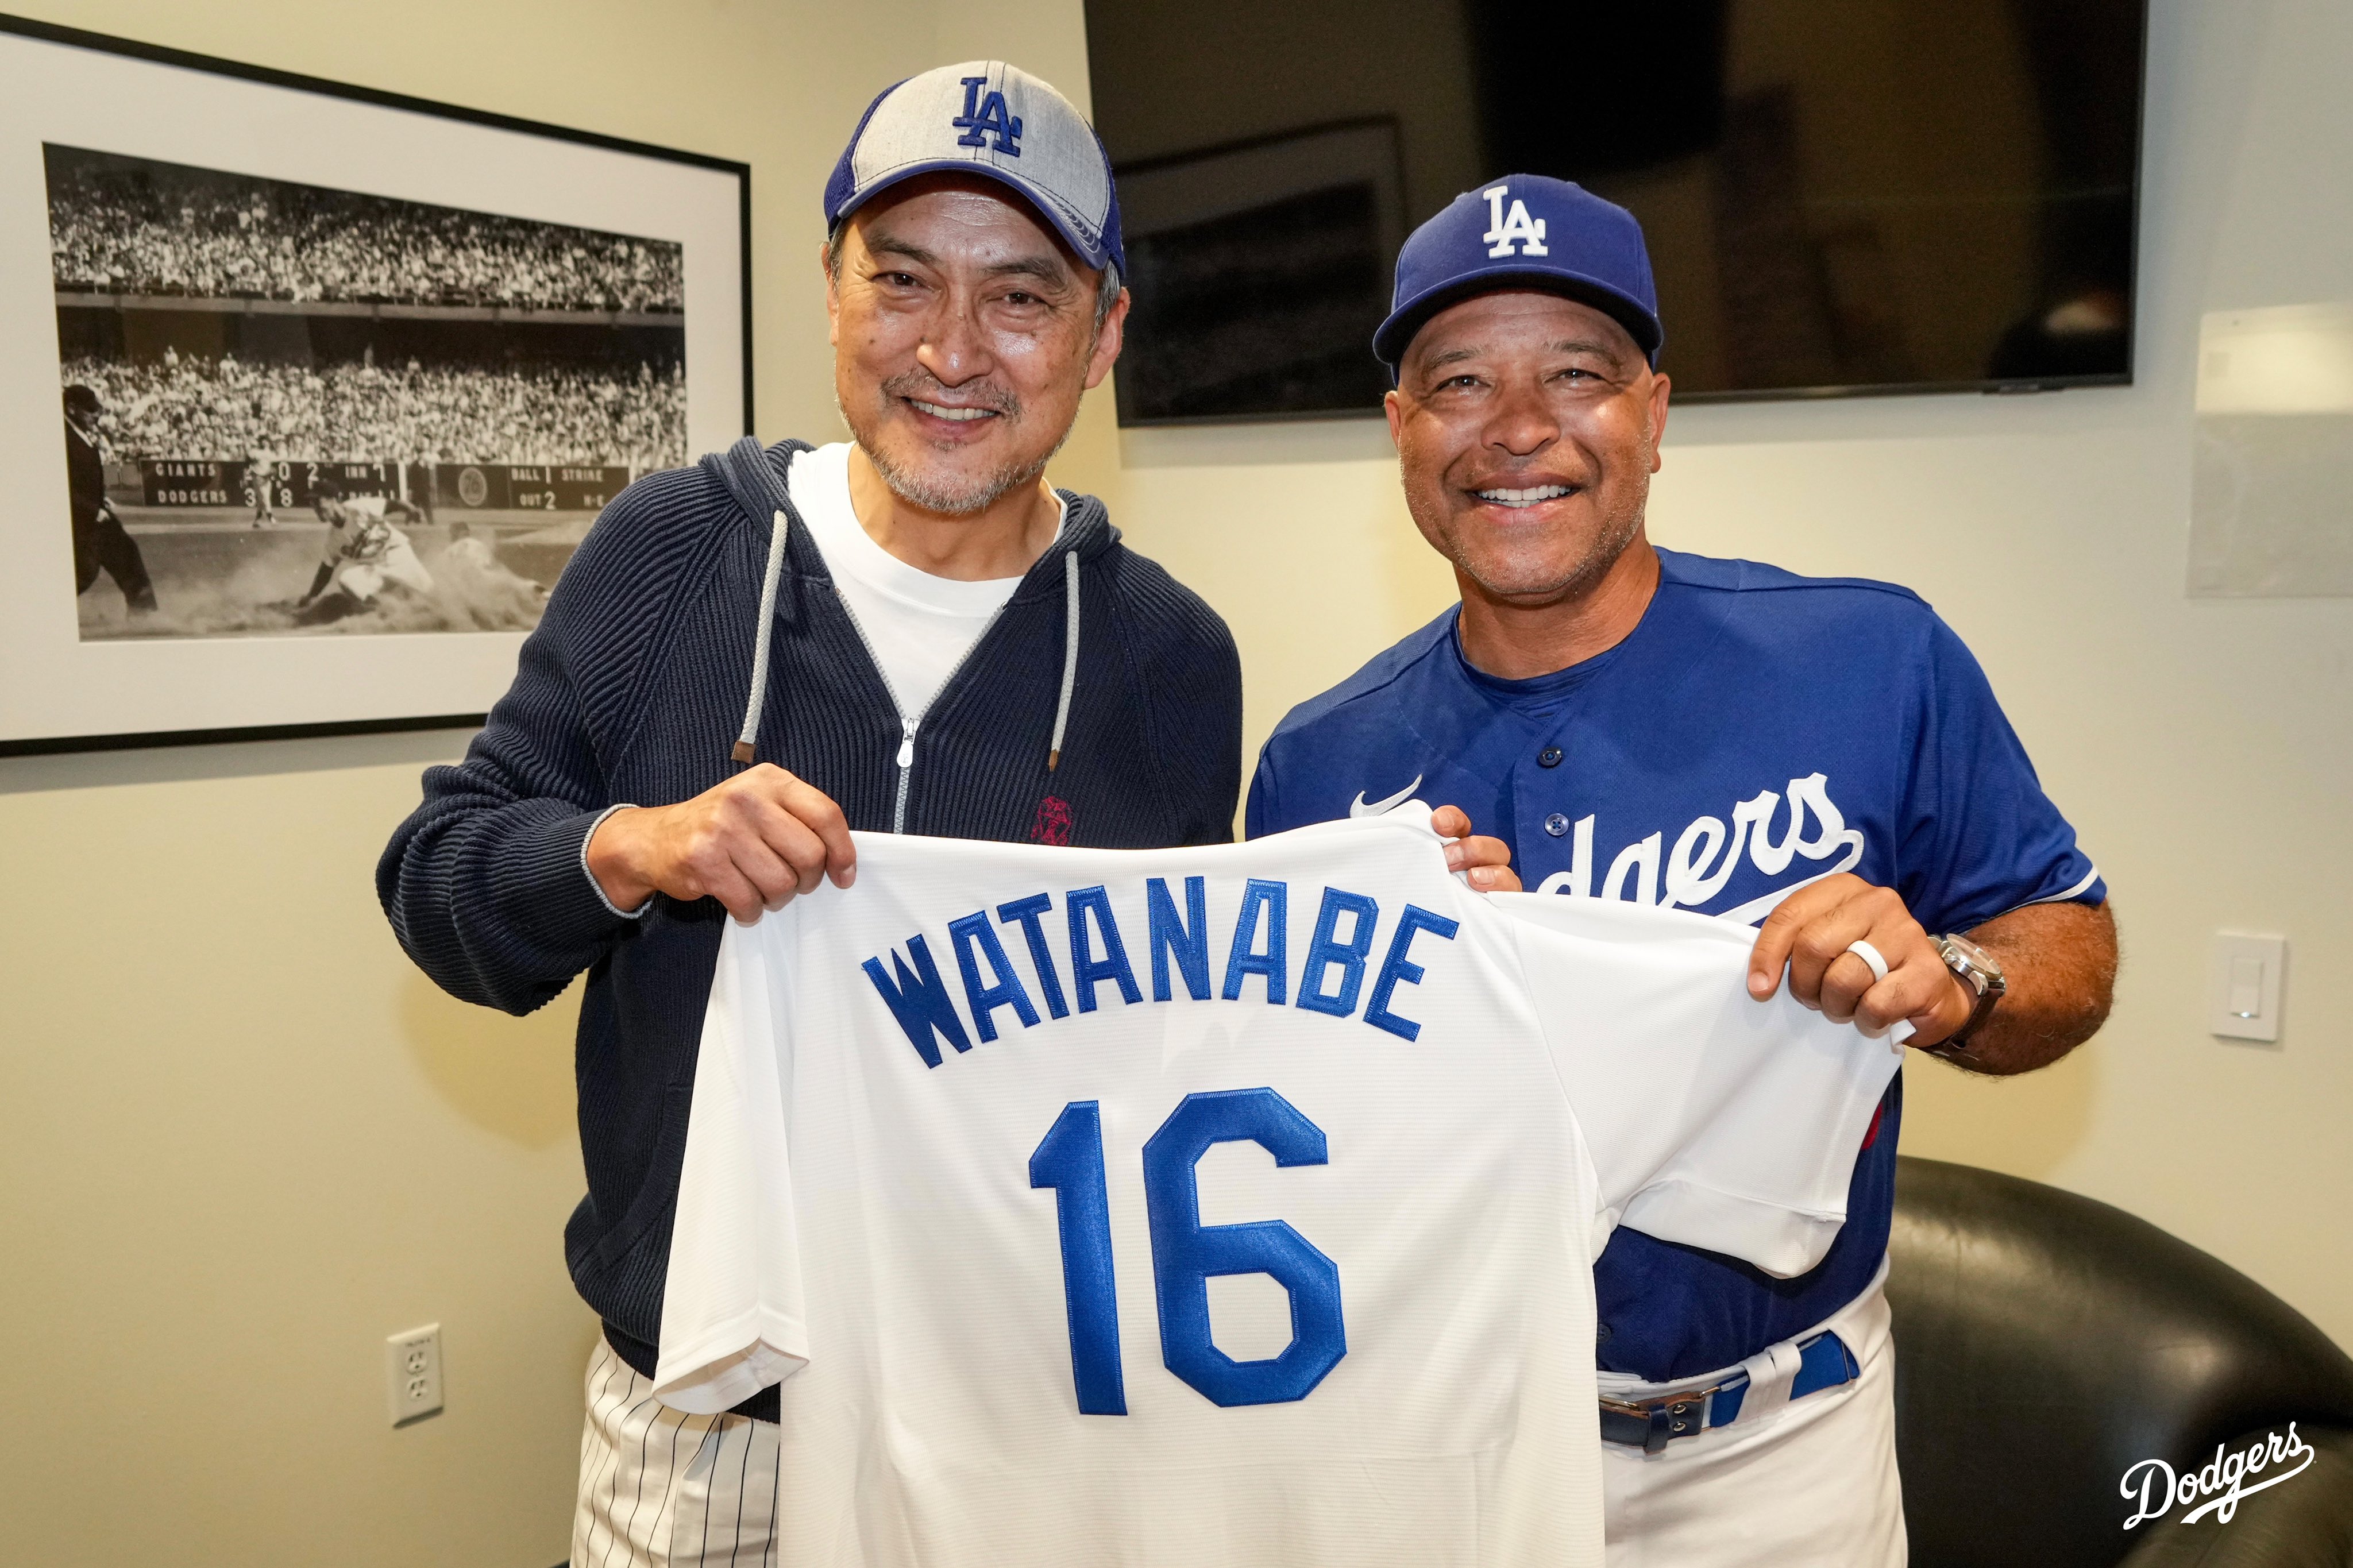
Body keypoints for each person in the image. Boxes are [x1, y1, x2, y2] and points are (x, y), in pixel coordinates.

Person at [377, 60, 1522, 1565]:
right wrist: (627, 846)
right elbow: (441, 883)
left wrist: (1380, 918)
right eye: (902, 279)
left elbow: (1177, 1048)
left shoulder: (1171, 656)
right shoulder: (674, 555)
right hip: (708, 1433)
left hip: (1028, 1425)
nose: (953, 349)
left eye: (1022, 297)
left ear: (1105, 335)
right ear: (834, 293)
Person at [1247, 176, 2119, 1566]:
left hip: (1783, 1455)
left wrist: (1952, 978)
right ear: (1402, 434)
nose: (1518, 430)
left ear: (1654, 415)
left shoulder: (1868, 658)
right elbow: (1298, 1131)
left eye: (1575, 376)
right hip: (1452, 1442)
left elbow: (2069, 942)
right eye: (1459, 381)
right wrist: (1433, 991)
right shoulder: (1318, 766)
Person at [62, 384, 157, 614]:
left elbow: (83, 480)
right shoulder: (63, 438)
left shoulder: (79, 433)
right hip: (79, 521)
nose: (97, 416)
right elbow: (61, 489)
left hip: (94, 516)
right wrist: (92, 509)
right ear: (72, 408)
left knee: (127, 555)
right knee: (84, 572)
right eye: (90, 410)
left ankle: (144, 617)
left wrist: (100, 500)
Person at [298, 490, 433, 621]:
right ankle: (387, 612)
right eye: (313, 503)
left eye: (318, 501)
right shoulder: (334, 540)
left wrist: (411, 509)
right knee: (347, 580)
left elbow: (390, 504)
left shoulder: (357, 508)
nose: (315, 506)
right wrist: (311, 596)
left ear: (333, 500)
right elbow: (326, 571)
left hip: (398, 555)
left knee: (432, 595)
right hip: (375, 570)